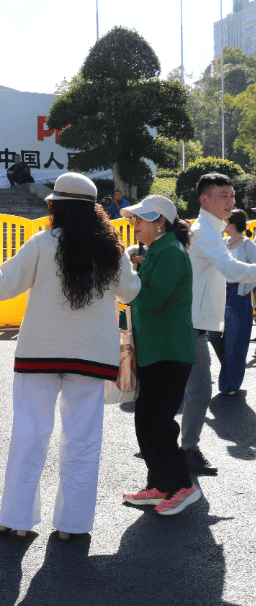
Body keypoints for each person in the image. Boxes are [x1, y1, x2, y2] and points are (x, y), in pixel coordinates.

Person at [0, 172, 140, 539]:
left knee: (29, 436)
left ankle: (16, 521)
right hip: (92, 359)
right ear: (93, 210)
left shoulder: (41, 243)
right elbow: (130, 293)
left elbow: (3, 286)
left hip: (37, 356)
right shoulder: (113, 250)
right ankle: (73, 526)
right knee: (83, 442)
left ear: (56, 207)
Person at [119, 196, 200, 515]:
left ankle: (182, 485)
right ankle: (160, 484)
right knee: (147, 421)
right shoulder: (160, 250)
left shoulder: (170, 252)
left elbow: (153, 298)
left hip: (169, 350)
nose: (135, 225)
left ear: (160, 222)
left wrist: (122, 286)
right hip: (158, 349)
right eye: (134, 220)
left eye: (141, 220)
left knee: (158, 422)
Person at [181, 173, 256, 475]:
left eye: (233, 195)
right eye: (224, 196)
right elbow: (231, 269)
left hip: (193, 322)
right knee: (197, 390)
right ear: (205, 200)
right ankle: (181, 452)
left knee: (192, 390)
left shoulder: (209, 230)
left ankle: (177, 450)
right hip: (190, 324)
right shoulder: (207, 232)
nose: (232, 202)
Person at [208, 208, 256, 395]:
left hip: (238, 294)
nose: (222, 224)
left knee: (234, 342)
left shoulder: (248, 245)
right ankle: (232, 368)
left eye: (225, 221)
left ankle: (230, 383)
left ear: (233, 225)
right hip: (219, 293)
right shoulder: (222, 242)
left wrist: (244, 287)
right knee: (213, 336)